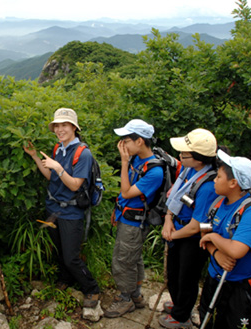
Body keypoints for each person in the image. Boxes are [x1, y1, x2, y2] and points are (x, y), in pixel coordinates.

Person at [23, 107, 100, 308]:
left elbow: (75, 184)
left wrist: (58, 166)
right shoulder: (59, 148)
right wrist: (34, 156)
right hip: (53, 208)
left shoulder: (83, 154)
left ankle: (91, 288)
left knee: (72, 257)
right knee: (59, 250)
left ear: (74, 127)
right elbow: (52, 177)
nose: (59, 129)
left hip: (72, 212)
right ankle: (66, 280)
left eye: (64, 125)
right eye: (57, 125)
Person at [199, 150, 251, 328]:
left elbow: (237, 250)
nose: (214, 180)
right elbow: (203, 232)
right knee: (206, 319)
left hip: (242, 286)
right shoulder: (218, 202)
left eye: (219, 176)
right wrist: (216, 253)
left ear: (233, 183)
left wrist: (213, 237)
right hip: (216, 275)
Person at [104, 119, 164, 318]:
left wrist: (124, 161)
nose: (123, 144)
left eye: (126, 140)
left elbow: (128, 191)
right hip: (126, 215)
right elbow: (125, 193)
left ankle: (125, 299)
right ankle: (136, 295)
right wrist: (117, 209)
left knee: (123, 260)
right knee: (134, 257)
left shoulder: (154, 171)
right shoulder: (138, 159)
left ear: (140, 141)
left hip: (135, 222)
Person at [160, 128, 219, 329]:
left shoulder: (209, 186)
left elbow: (196, 227)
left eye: (184, 154)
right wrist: (168, 220)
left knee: (187, 276)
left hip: (192, 238)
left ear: (199, 158)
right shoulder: (188, 170)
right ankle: (178, 304)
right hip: (177, 229)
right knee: (174, 273)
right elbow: (174, 197)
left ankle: (182, 315)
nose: (179, 156)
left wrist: (172, 234)